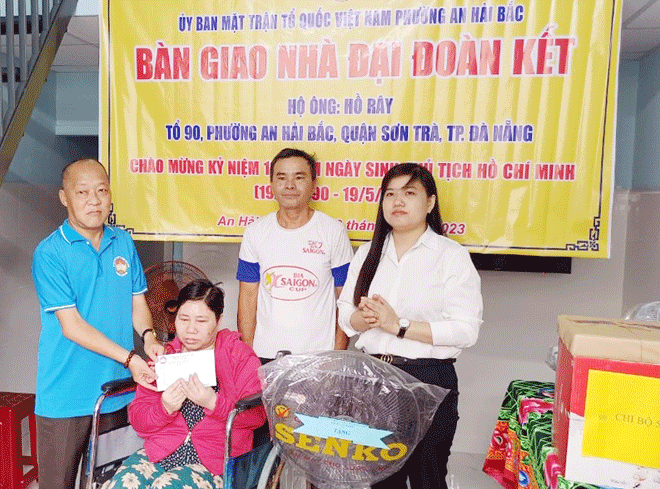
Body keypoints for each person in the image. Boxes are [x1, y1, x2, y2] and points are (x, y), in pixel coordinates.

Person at [336, 163, 483, 489]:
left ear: (430, 203)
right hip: (374, 381)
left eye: (409, 193)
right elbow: (346, 315)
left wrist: (398, 325)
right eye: (390, 194)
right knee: (377, 480)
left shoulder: (450, 256)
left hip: (428, 378)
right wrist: (368, 317)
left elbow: (466, 330)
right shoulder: (367, 253)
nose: (397, 201)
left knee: (426, 479)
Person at [31, 158, 164, 488]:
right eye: (83, 192)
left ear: (110, 196)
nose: (94, 200)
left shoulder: (123, 242)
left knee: (114, 482)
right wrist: (132, 358)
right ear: (65, 197)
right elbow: (72, 326)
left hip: (117, 392)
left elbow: (137, 301)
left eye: (101, 190)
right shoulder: (49, 253)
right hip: (67, 396)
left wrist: (148, 337)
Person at [104, 279, 266, 488]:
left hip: (214, 460)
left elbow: (257, 417)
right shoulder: (165, 356)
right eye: (184, 318)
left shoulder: (239, 356)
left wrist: (214, 403)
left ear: (218, 320)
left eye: (201, 321)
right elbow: (138, 420)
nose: (190, 329)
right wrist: (164, 408)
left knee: (166, 486)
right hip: (161, 451)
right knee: (121, 485)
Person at [237, 148, 354, 362]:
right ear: (271, 184)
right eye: (281, 178)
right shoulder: (255, 232)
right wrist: (248, 356)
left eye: (299, 177)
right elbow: (247, 297)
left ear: (313, 185)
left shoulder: (333, 231)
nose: (290, 185)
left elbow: (345, 299)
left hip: (318, 358)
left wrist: (336, 357)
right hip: (266, 356)